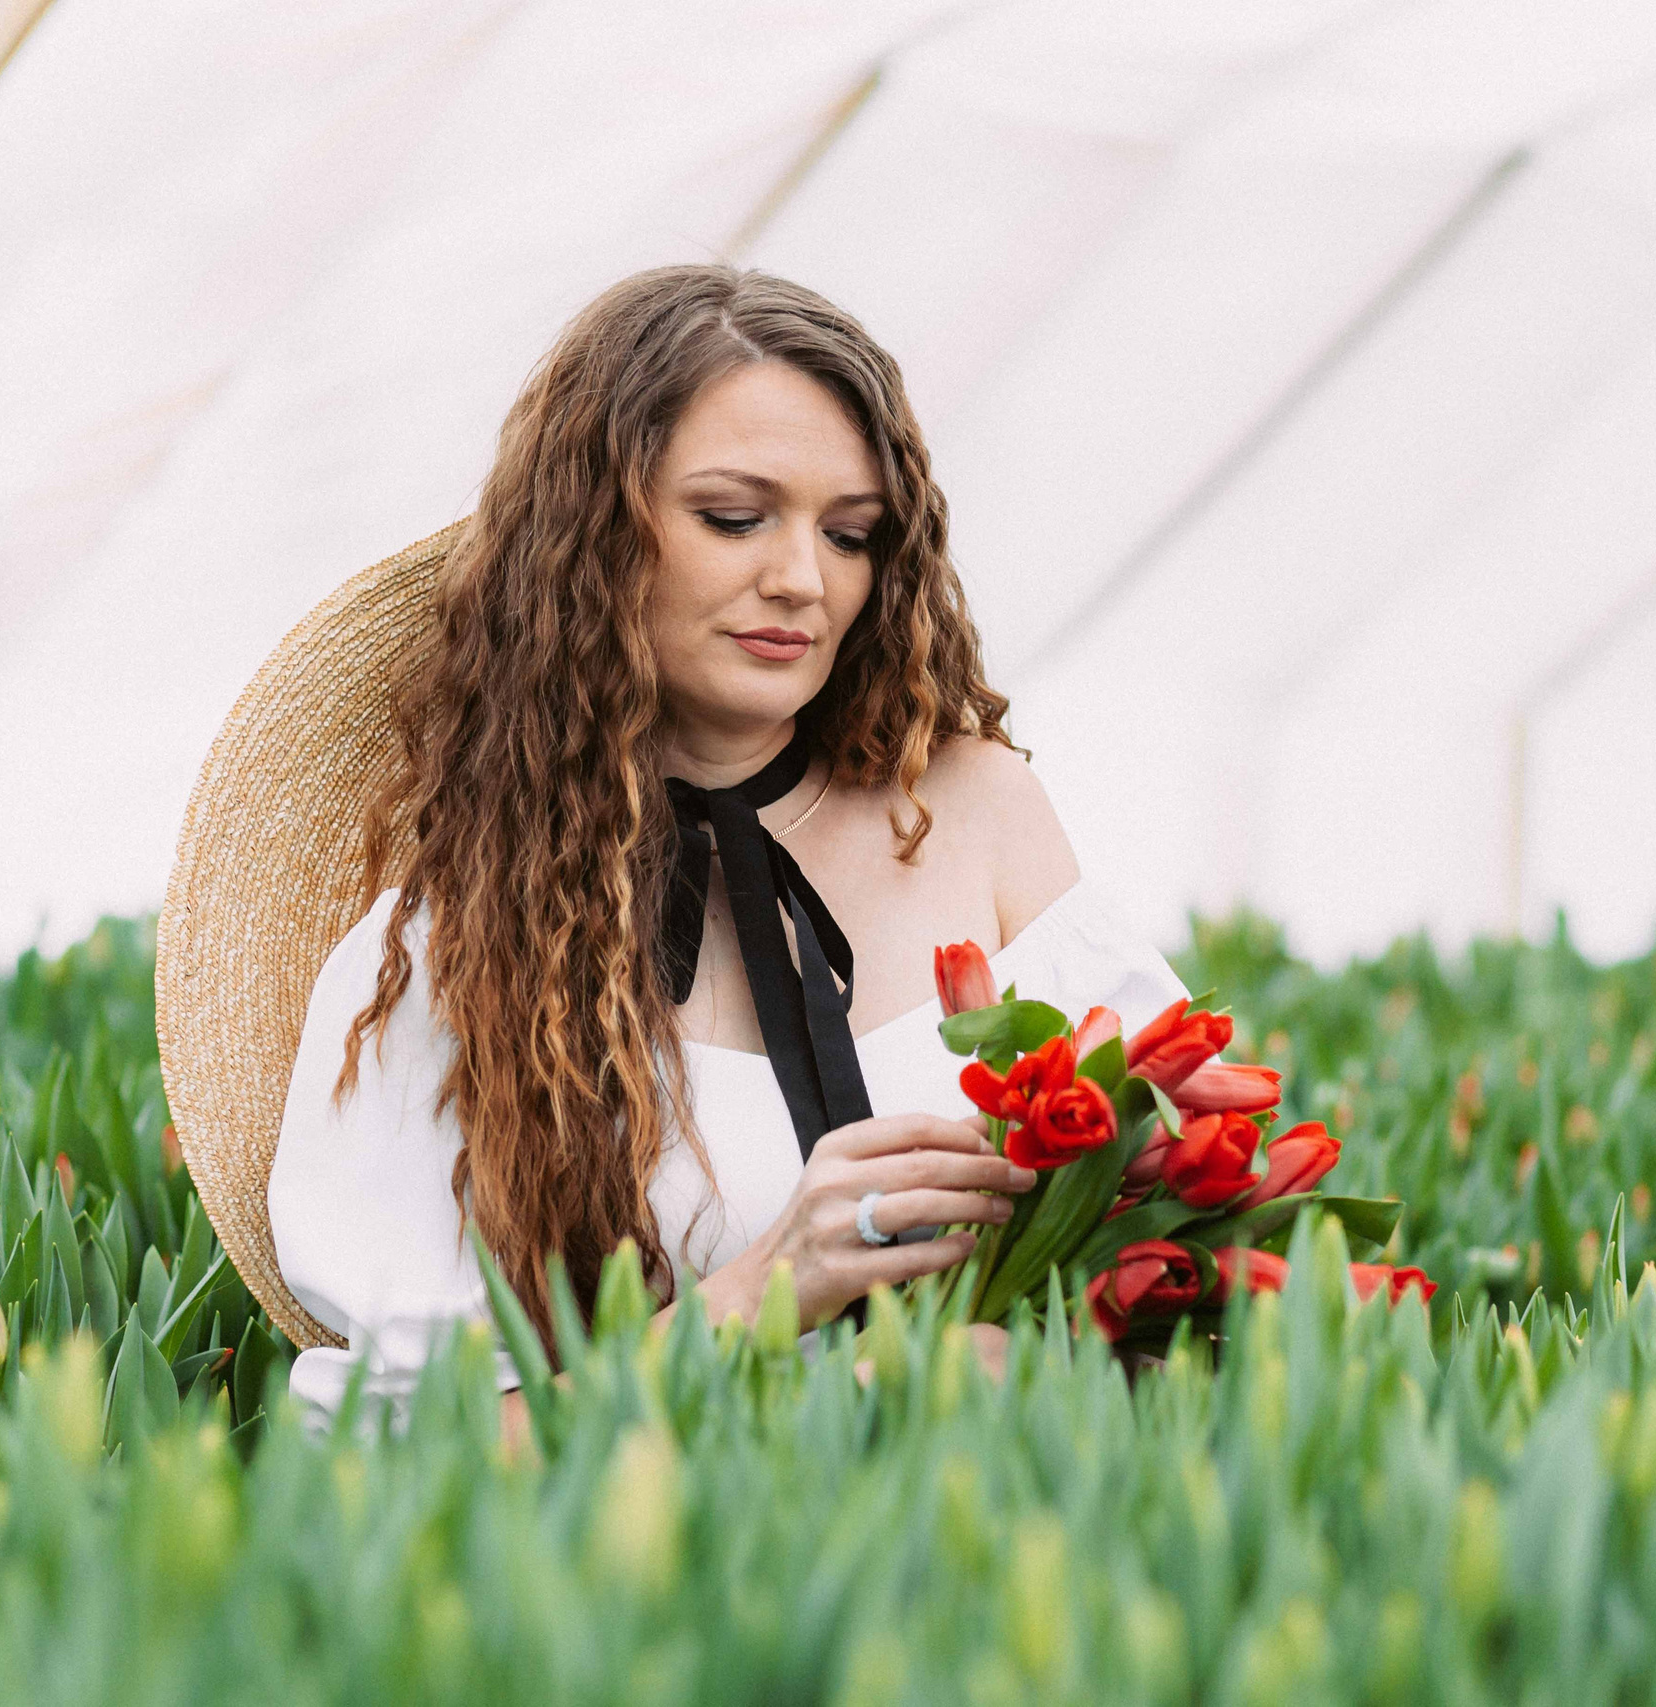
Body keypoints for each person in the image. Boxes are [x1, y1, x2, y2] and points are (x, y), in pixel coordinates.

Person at [265, 265, 1186, 1439]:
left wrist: (1063, 1340)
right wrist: (760, 1295)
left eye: (850, 533)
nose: (802, 579)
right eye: (733, 518)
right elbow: (400, 1451)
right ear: (592, 537)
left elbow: (1199, 1225)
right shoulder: (452, 952)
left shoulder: (980, 812)